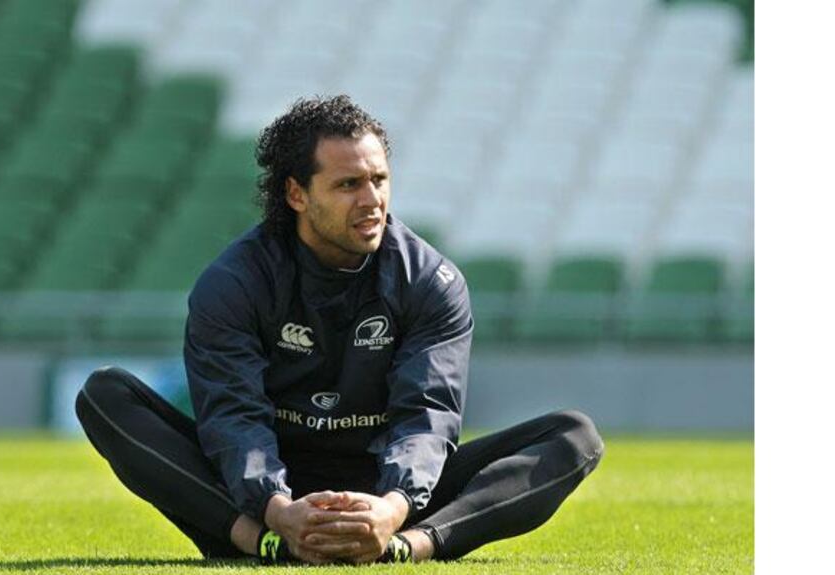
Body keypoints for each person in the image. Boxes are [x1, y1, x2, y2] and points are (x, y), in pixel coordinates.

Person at [75, 95, 604, 565]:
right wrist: (278, 509)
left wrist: (392, 510)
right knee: (105, 395)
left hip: (388, 494)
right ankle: (264, 544)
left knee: (573, 435)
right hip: (262, 500)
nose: (371, 200)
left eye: (379, 180)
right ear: (297, 194)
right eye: (348, 184)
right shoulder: (234, 282)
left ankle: (407, 550)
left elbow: (427, 416)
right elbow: (233, 417)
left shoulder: (429, 280)